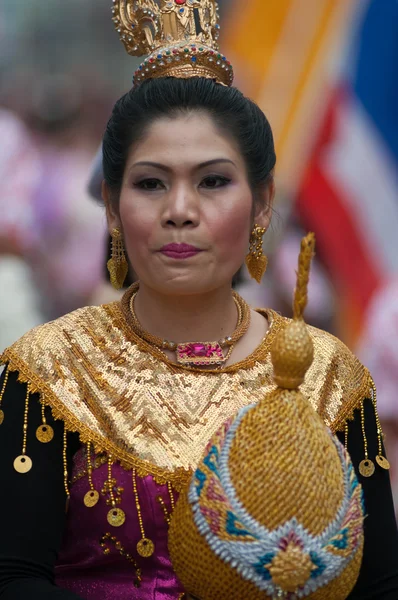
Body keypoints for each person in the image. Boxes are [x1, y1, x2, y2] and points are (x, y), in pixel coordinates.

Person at [0, 2, 397, 599]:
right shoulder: (48, 372)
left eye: (213, 181)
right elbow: (15, 577)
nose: (180, 210)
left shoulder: (330, 376)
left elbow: (379, 584)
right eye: (150, 182)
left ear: (263, 204)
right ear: (111, 205)